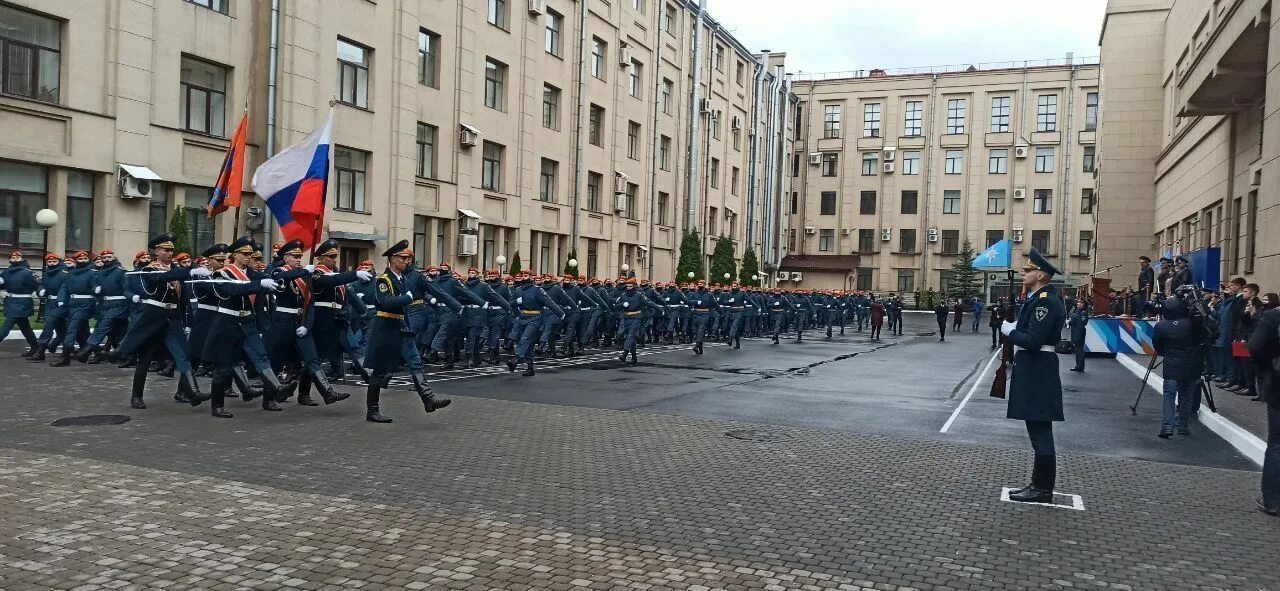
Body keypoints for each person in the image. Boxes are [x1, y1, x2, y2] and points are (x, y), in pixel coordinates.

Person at [998, 248, 1067, 504]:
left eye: (1028, 270)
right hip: (1036, 368)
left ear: (1040, 274)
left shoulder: (1046, 300)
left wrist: (1010, 332)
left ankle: (1042, 488)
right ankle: (1039, 485)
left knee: (1040, 431)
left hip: (1039, 368)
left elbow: (1034, 340)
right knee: (1038, 429)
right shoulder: (1038, 297)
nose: (1024, 273)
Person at [364, 240, 452, 423]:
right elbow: (386, 302)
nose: (407, 261)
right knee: (379, 371)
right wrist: (407, 297)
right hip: (386, 328)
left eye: (408, 258)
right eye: (403, 258)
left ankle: (428, 398)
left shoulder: (401, 279)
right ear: (393, 259)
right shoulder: (384, 280)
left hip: (401, 327)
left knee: (415, 361)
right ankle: (372, 410)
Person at [1151, 296, 1203, 438]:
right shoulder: (1192, 323)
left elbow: (1157, 345)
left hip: (1171, 364)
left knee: (1169, 395)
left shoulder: (1161, 326)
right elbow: (1203, 336)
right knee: (1186, 395)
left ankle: (1167, 426)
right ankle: (1183, 425)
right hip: (1191, 363)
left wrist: (1167, 353)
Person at [1245, 300, 1279, 516]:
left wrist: (1271, 366)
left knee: (1277, 444)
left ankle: (1273, 501)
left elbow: (1255, 347)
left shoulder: (1274, 316)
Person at [0, 251, 39, 354]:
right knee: (25, 327)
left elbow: (37, 285)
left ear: (22, 258)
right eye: (13, 257)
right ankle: (35, 348)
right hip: (11, 302)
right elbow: (3, 285)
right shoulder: (6, 272)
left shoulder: (27, 272)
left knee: (5, 328)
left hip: (22, 303)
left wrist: (37, 292)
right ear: (10, 259)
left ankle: (36, 348)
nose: (15, 258)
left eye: (18, 256)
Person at [1068, 298, 1089, 372]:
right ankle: (1078, 365)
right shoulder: (1077, 312)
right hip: (1074, 332)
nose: (1077, 303)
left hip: (1079, 333)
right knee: (1077, 350)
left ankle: (1080, 366)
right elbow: (1074, 320)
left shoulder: (1083, 313)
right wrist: (1069, 322)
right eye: (1077, 302)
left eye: (1079, 302)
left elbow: (1080, 325)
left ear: (1083, 304)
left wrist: (1077, 336)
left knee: (1079, 350)